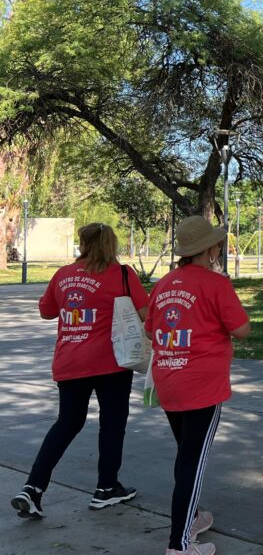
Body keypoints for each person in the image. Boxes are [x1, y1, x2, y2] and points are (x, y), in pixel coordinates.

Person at [11, 223, 149, 520]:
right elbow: (146, 313)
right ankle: (106, 487)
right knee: (113, 423)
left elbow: (46, 311)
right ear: (111, 244)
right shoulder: (122, 275)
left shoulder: (63, 275)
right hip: (111, 362)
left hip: (70, 361)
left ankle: (33, 487)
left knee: (67, 423)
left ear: (82, 243)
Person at [148, 215, 251, 555]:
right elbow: (241, 329)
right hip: (202, 385)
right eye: (216, 244)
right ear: (208, 249)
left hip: (169, 380)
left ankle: (189, 519)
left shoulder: (165, 283)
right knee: (193, 461)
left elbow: (151, 329)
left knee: (186, 456)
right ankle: (179, 545)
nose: (218, 248)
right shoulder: (216, 284)